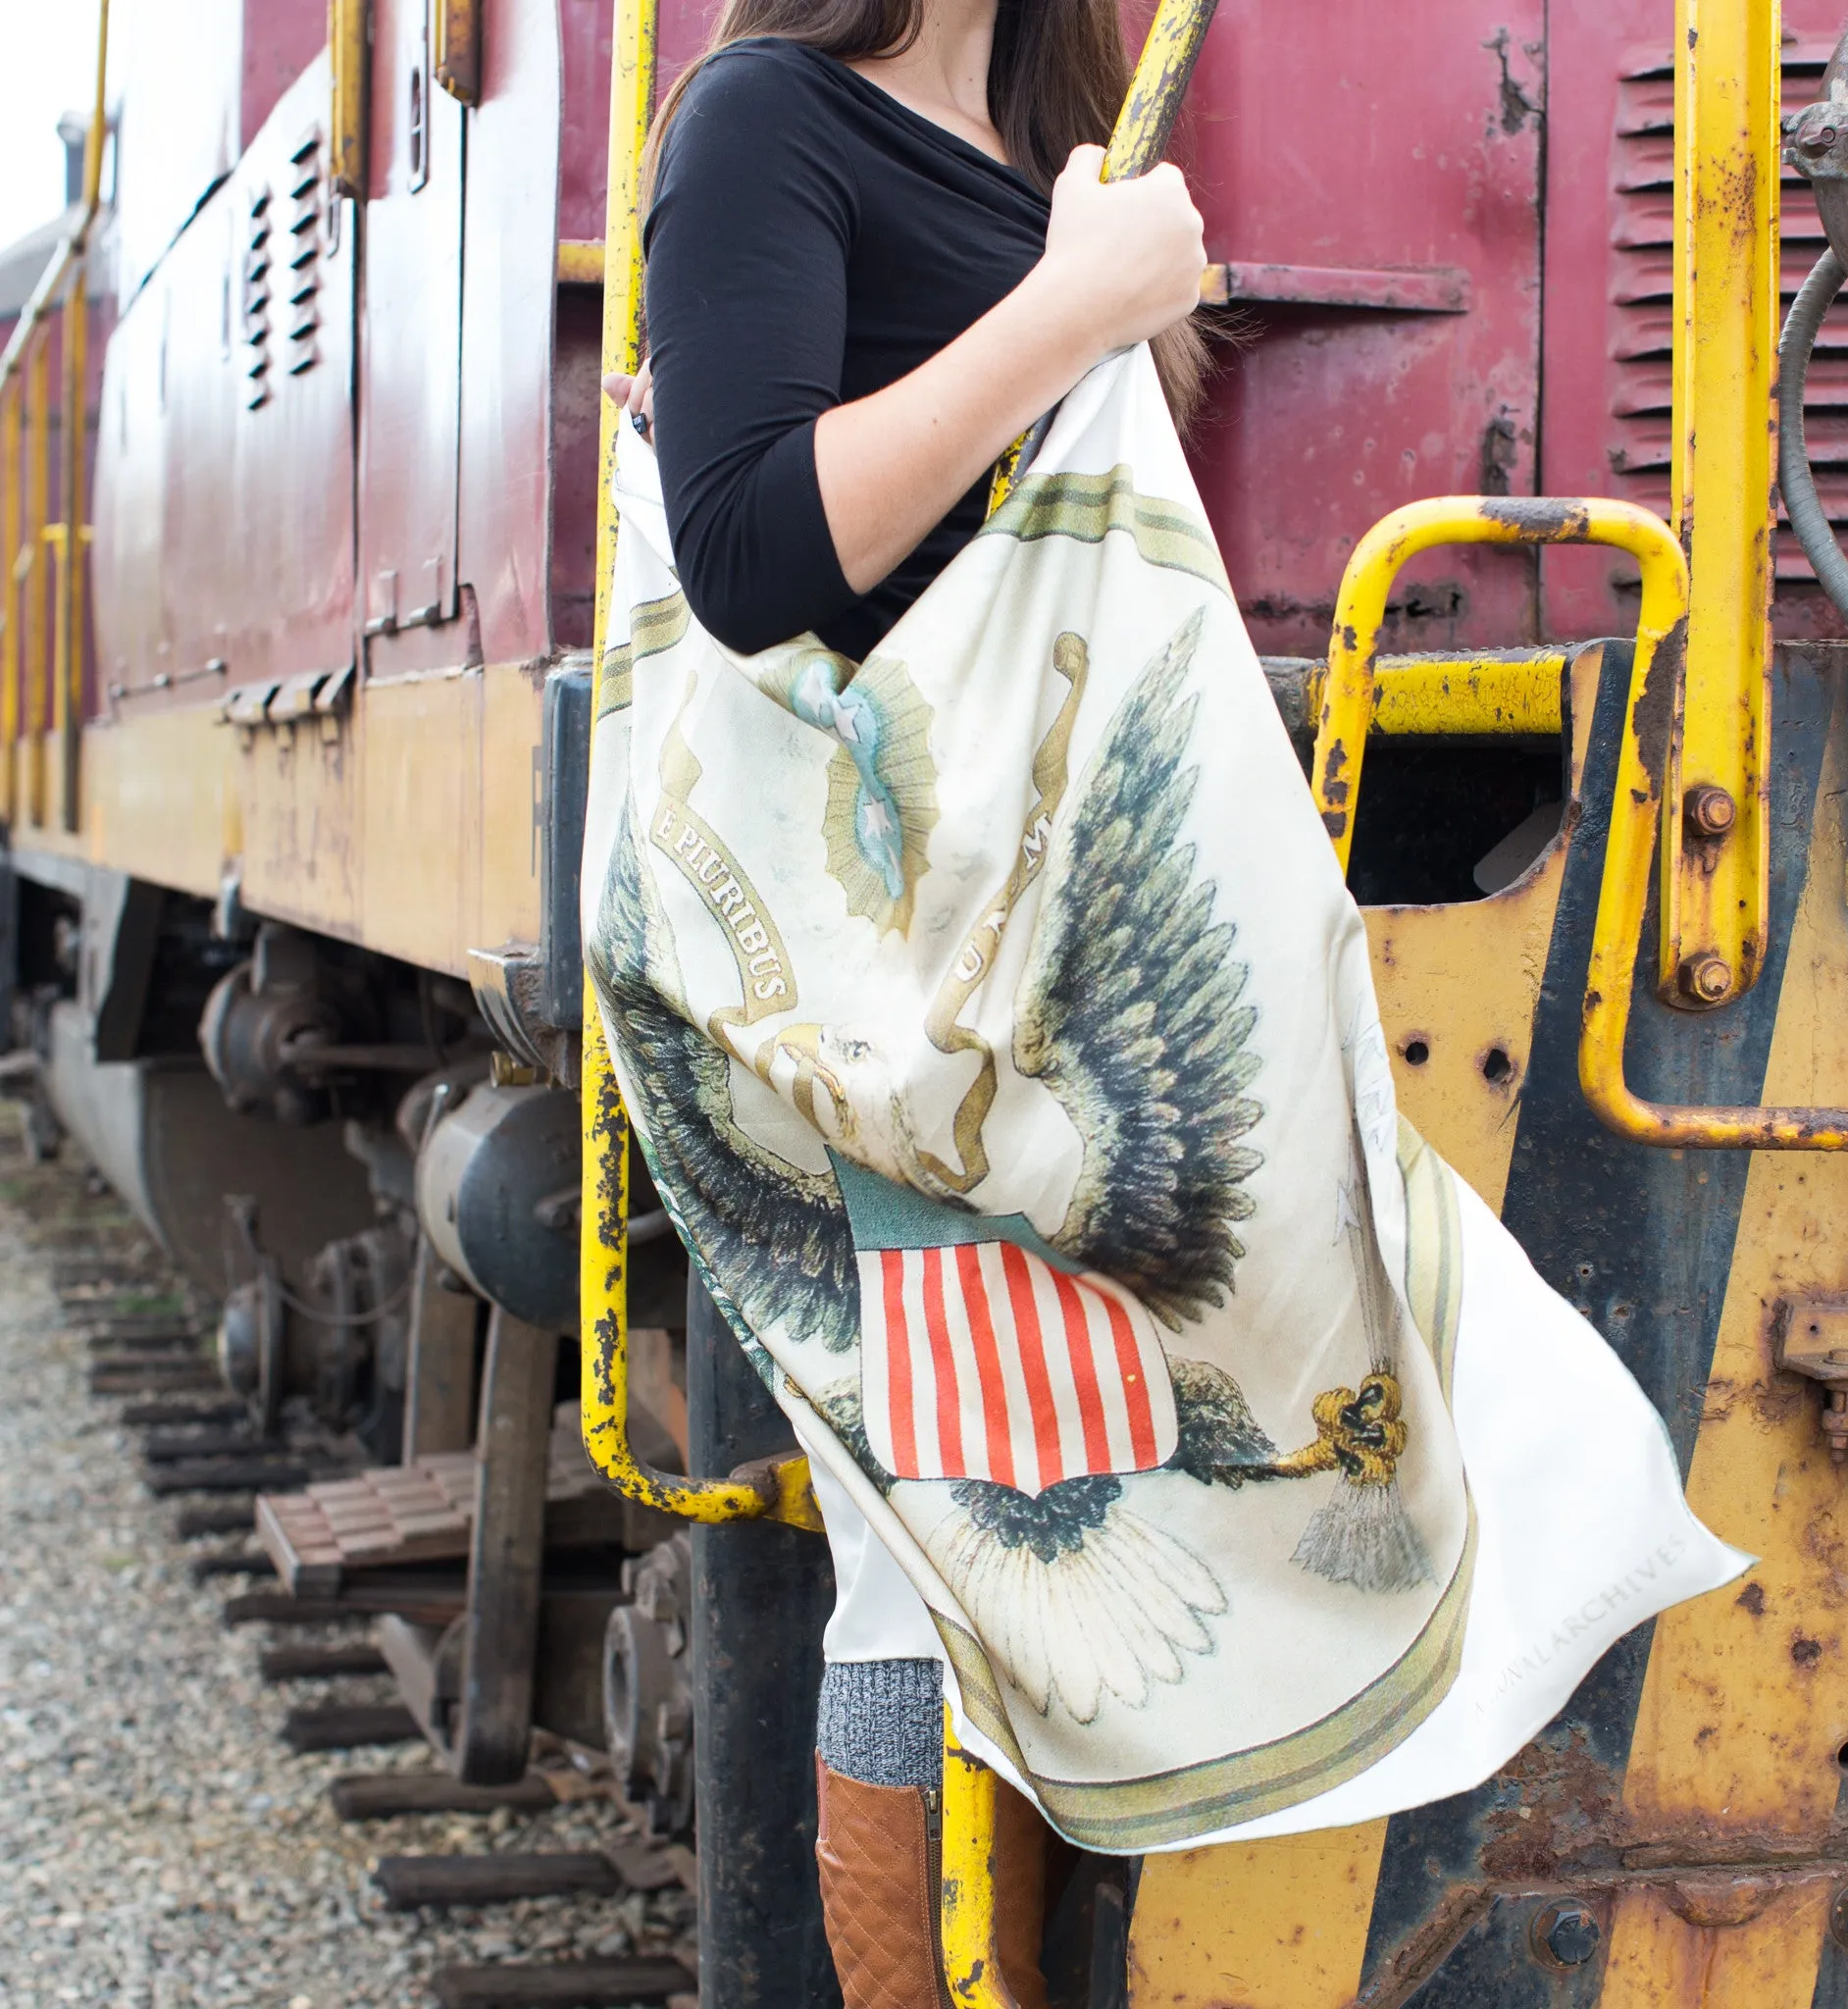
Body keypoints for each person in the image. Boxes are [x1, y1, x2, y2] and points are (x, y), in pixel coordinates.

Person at [603, 4, 1209, 2004]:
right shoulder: (761, 114)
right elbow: (752, 547)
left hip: (1059, 942)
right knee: (932, 1534)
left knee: (1059, 1520)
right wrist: (1077, 302)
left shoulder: (1051, 138)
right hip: (893, 976)